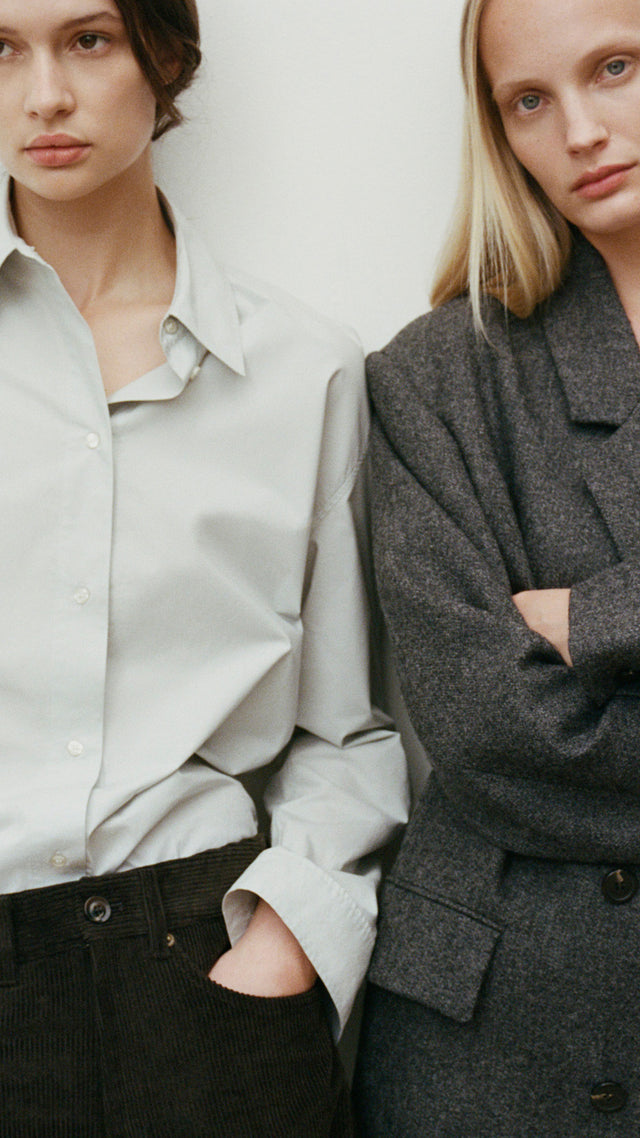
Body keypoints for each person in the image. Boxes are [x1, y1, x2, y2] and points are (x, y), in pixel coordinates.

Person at [0, 1, 409, 1134]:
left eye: (88, 39)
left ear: (162, 54)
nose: (44, 95)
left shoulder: (306, 371)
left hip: (202, 962)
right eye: (1, 49)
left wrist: (280, 949)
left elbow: (347, 730)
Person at [352, 0, 640, 1133]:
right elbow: (487, 731)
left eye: (615, 67)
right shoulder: (435, 376)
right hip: (498, 1035)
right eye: (528, 100)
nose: (579, 130)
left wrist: (601, 618)